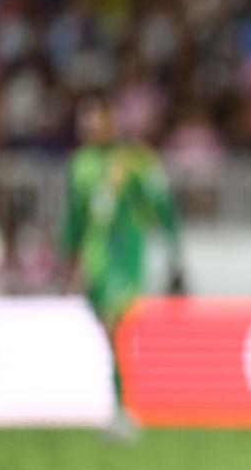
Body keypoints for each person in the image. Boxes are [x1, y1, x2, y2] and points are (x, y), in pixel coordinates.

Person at [59, 95, 185, 437]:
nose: (89, 128)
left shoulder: (134, 160)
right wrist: (67, 257)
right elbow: (74, 216)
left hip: (127, 255)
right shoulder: (80, 164)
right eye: (84, 122)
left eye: (95, 120)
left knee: (115, 323)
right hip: (95, 257)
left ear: (110, 122)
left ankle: (121, 411)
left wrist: (174, 251)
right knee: (108, 329)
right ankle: (119, 406)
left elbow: (160, 204)